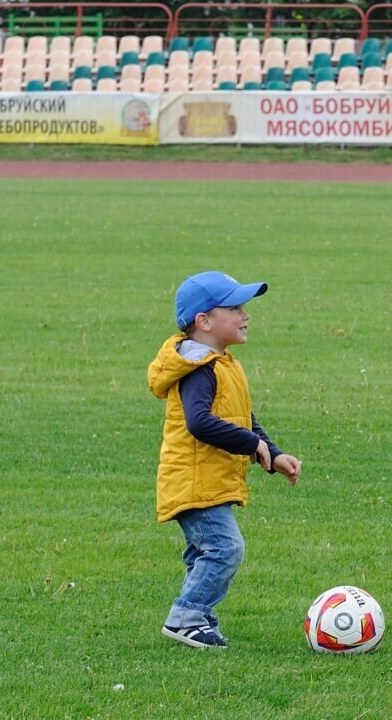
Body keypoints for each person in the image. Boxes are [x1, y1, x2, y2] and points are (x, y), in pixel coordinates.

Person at [148, 270, 302, 649]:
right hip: (195, 481)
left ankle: (197, 619)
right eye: (234, 308)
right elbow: (200, 423)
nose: (246, 314)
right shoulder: (199, 369)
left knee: (206, 553)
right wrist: (250, 443)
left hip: (208, 479)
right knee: (225, 548)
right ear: (204, 321)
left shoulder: (223, 363)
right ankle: (186, 617)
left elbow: (243, 418)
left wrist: (273, 453)